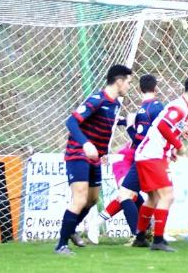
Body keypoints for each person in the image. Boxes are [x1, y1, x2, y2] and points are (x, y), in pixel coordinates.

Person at [54, 64, 132, 255]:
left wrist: (127, 121)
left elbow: (109, 121)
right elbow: (71, 122)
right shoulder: (97, 99)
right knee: (79, 198)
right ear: (119, 81)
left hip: (95, 158)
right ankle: (61, 245)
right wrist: (85, 144)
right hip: (78, 154)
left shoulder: (114, 104)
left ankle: (71, 230)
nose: (129, 86)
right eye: (128, 82)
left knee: (92, 200)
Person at [131, 75, 188, 252]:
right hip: (151, 154)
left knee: (154, 197)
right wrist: (178, 145)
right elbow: (162, 127)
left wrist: (170, 148)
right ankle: (158, 240)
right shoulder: (179, 107)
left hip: (151, 154)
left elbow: (164, 128)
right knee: (168, 196)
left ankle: (140, 237)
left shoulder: (182, 106)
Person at [87, 74, 165, 244]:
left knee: (141, 197)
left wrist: (124, 123)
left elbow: (129, 126)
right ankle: (132, 233)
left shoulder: (143, 111)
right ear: (156, 88)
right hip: (127, 159)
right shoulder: (156, 109)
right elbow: (141, 137)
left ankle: (144, 231)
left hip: (138, 158)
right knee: (127, 196)